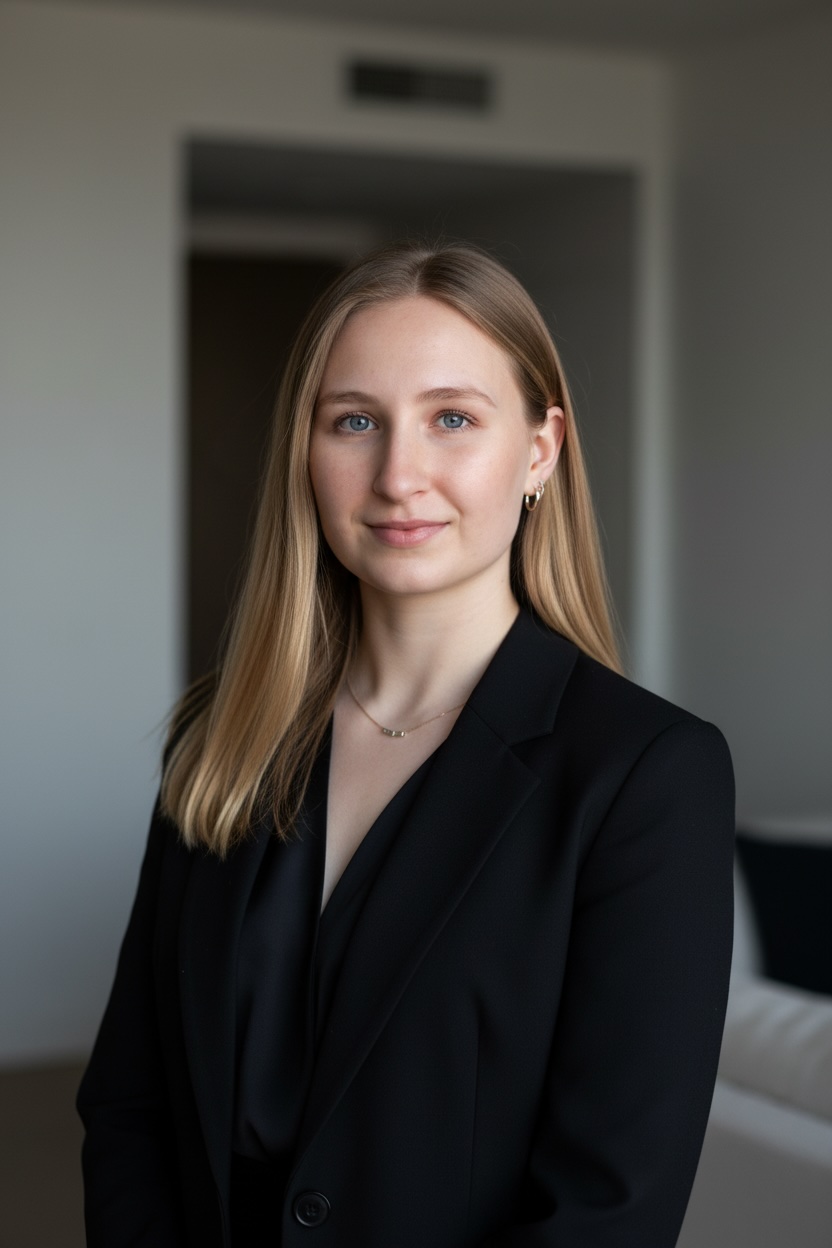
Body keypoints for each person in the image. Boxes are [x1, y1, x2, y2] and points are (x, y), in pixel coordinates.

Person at [77, 240, 735, 1248]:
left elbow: (608, 1210)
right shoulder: (223, 737)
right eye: (354, 422)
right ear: (305, 450)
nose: (397, 475)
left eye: (453, 419)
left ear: (540, 450)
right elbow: (132, 1106)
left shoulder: (644, 774)